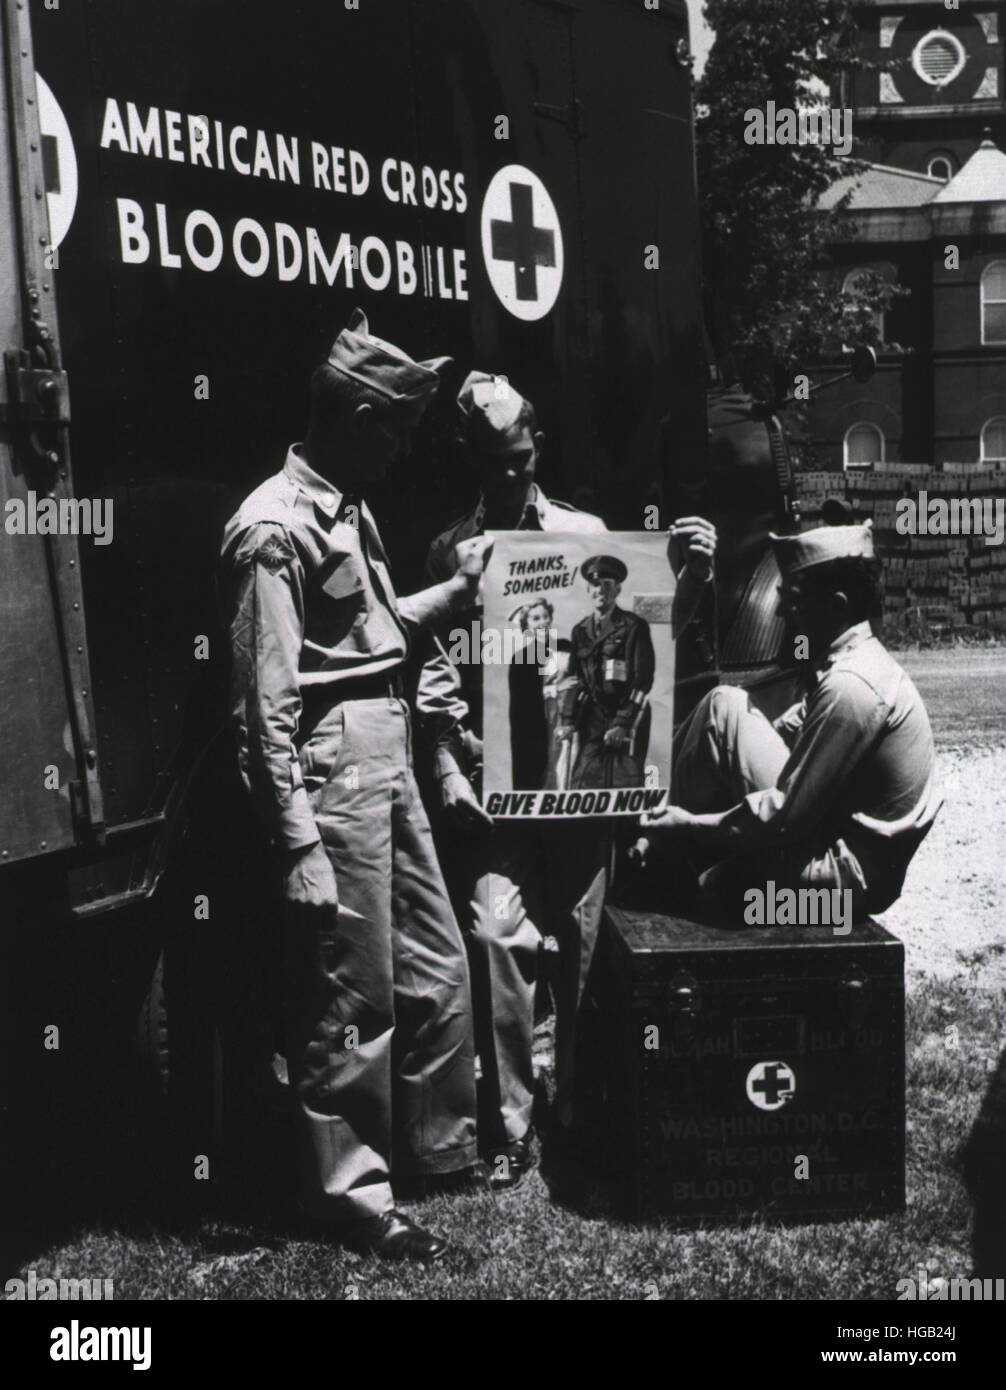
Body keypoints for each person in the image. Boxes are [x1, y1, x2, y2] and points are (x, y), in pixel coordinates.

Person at [219, 310, 493, 1263]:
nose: (407, 446)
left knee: (434, 963)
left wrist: (448, 599)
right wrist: (297, 844)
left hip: (390, 742)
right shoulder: (272, 530)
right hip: (335, 763)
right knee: (352, 993)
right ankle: (352, 1196)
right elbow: (265, 710)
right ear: (360, 417)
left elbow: (368, 639)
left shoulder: (348, 509)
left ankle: (432, 1152)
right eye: (399, 428)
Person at [419, 370, 717, 1187]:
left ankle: (577, 1102)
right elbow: (436, 676)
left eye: (520, 460)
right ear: (468, 460)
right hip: (501, 786)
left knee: (583, 942)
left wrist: (689, 576)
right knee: (493, 933)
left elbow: (650, 641)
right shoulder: (453, 550)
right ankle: (511, 1121)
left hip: (579, 778)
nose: (510, 478)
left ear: (538, 448)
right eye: (493, 465)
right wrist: (447, 763)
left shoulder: (587, 534)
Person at [640, 521, 941, 920]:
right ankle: (650, 829)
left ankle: (649, 835)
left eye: (793, 600)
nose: (782, 612)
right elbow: (785, 732)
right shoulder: (855, 663)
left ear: (837, 605)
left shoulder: (852, 687)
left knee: (708, 888)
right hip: (829, 843)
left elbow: (783, 818)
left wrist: (692, 824)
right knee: (725, 707)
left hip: (841, 886)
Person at [558, 555, 656, 790]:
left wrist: (622, 722)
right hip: (591, 718)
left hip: (626, 714)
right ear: (587, 589)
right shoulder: (579, 630)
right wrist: (568, 721)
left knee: (624, 783)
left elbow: (642, 681)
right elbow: (575, 682)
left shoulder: (634, 626)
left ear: (618, 589)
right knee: (581, 783)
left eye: (607, 585)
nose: (600, 590)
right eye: (594, 585)